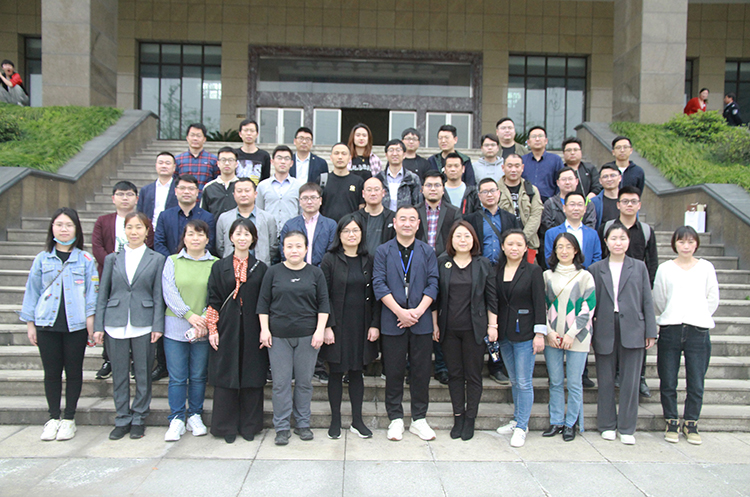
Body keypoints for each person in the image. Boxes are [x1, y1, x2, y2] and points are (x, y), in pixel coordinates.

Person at [19, 208, 98, 441]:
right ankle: (53, 417)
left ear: (77, 229)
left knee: (73, 372)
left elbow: (92, 292)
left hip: (76, 325)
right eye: (59, 224)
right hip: (46, 323)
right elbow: (32, 292)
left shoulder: (86, 259)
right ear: (52, 228)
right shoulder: (42, 259)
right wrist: (30, 323)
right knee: (51, 373)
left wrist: (91, 321)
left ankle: (69, 419)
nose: (64, 229)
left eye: (69, 225)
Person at [93, 212, 165, 440]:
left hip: (144, 322)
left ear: (147, 231)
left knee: (143, 373)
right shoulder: (112, 259)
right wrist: (98, 325)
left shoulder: (156, 259)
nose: (134, 232)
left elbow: (158, 295)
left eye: (139, 227)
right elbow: (103, 294)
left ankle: (139, 417)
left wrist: (158, 325)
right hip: (115, 322)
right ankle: (122, 417)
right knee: (120, 374)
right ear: (124, 231)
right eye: (130, 227)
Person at [258, 230, 330, 446]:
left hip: (308, 335)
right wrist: (264, 330)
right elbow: (263, 303)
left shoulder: (315, 273)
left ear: (306, 249)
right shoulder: (273, 272)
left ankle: (302, 423)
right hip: (278, 336)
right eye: (289, 246)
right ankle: (281, 427)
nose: (294, 250)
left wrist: (320, 330)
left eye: (299, 246)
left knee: (304, 383)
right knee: (280, 384)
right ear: (283, 249)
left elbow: (324, 304)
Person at [373, 205, 439, 442]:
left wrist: (418, 311)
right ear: (395, 222)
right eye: (403, 219)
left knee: (421, 372)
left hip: (421, 322)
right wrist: (400, 312)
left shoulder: (427, 251)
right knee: (393, 371)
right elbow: (379, 283)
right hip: (393, 320)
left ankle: (419, 419)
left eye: (412, 219)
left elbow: (433, 283)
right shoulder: (383, 250)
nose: (407, 223)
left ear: (419, 224)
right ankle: (396, 418)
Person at [589, 223, 657, 445]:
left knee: (631, 380)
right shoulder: (596, 269)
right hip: (605, 326)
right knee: (605, 379)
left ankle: (627, 427)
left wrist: (651, 330)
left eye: (622, 238)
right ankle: (607, 424)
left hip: (634, 327)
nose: (618, 243)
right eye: (613, 238)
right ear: (606, 242)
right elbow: (591, 304)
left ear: (628, 242)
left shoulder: (639, 267)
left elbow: (647, 300)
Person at [654, 226, 719, 445]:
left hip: (697, 329)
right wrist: (672, 314)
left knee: (696, 381)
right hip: (671, 328)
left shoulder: (706, 268)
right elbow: (659, 299)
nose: (686, 246)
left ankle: (691, 422)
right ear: (674, 244)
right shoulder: (665, 269)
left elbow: (712, 297)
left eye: (690, 242)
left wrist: (699, 314)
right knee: (668, 379)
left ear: (696, 244)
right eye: (681, 242)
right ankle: (671, 421)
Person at [432, 221, 498, 441]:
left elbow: (491, 298)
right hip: (449, 330)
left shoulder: (483, 264)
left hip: (474, 330)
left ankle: (470, 418)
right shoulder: (442, 262)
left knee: (473, 375)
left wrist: (493, 326)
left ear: (474, 240)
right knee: (455, 375)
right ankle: (458, 416)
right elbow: (435, 297)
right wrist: (434, 324)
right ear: (451, 239)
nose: (462, 240)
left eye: (467, 236)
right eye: (458, 236)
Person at [205, 218, 269, 443]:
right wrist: (212, 329)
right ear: (231, 237)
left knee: (252, 375)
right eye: (238, 234)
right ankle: (226, 426)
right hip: (227, 327)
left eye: (247, 234)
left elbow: (265, 301)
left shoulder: (261, 268)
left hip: (253, 327)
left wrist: (265, 329)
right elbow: (213, 300)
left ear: (253, 239)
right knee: (226, 375)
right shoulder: (219, 266)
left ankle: (250, 425)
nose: (242, 238)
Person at [320, 214, 381, 439]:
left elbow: (376, 295)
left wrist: (374, 325)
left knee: (357, 372)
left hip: (361, 325)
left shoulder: (369, 259)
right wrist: (327, 326)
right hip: (337, 325)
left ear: (362, 234)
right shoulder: (329, 259)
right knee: (336, 373)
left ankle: (357, 421)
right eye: (346, 231)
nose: (351, 235)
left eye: (355, 230)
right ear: (339, 235)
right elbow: (323, 295)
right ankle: (335, 421)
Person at [161, 219, 218, 442]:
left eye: (200, 234)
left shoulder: (215, 263)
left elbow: (216, 293)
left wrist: (203, 319)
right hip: (175, 328)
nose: (195, 238)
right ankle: (176, 418)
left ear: (207, 238)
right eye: (191, 234)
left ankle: (195, 414)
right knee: (177, 377)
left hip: (203, 329)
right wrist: (189, 315)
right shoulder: (172, 261)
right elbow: (169, 292)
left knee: (197, 376)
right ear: (184, 238)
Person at [91, 181, 153, 380]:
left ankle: (135, 360)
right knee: (113, 318)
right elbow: (97, 247)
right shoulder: (103, 221)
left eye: (129, 194)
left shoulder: (144, 221)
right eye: (120, 194)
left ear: (136, 198)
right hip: (112, 275)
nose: (125, 198)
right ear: (113, 198)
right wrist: (115, 265)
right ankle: (109, 359)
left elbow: (149, 245)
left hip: (138, 277)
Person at [493, 229, 546, 448]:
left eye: (519, 244)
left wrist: (540, 333)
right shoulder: (497, 270)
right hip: (504, 333)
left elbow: (540, 303)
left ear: (525, 248)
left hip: (525, 333)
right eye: (510, 244)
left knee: (524, 382)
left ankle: (522, 426)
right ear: (503, 247)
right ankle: (517, 419)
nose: (514, 248)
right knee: (514, 380)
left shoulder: (533, 271)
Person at [542, 233, 596, 442]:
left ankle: (571, 423)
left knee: (574, 383)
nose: (564, 251)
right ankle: (556, 421)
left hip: (578, 337)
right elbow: (542, 306)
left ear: (576, 251)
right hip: (552, 336)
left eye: (568, 247)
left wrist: (572, 333)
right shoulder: (547, 276)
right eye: (560, 247)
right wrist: (549, 332)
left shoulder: (585, 276)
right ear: (554, 250)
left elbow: (588, 307)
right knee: (555, 381)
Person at [215, 177, 278, 265]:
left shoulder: (268, 218)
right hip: (231, 268)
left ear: (255, 194)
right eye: (239, 191)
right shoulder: (224, 218)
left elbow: (273, 246)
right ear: (234, 195)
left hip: (260, 267)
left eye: (247, 191)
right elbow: (220, 246)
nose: (243, 194)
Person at [154, 174, 215, 259]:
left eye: (191, 188)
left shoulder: (207, 217)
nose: (186, 192)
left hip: (197, 262)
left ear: (197, 192)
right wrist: (172, 261)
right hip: (169, 262)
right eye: (182, 188)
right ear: (176, 191)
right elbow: (159, 243)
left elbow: (209, 243)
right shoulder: (164, 216)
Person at [497, 154, 543, 261]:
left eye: (517, 166)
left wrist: (522, 239)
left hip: (529, 244)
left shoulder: (531, 190)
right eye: (509, 166)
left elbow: (536, 216)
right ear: (503, 168)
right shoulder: (495, 190)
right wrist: (509, 241)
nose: (513, 170)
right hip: (503, 246)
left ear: (522, 168)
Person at [465, 178, 520, 266]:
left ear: (499, 193)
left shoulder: (510, 218)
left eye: (492, 191)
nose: (489, 195)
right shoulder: (471, 219)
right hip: (479, 266)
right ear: (479, 196)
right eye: (485, 192)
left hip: (504, 266)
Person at [280, 182, 337, 268]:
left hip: (322, 271)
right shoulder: (290, 225)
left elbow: (332, 251)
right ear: (300, 201)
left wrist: (319, 270)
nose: (309, 202)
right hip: (295, 270)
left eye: (313, 198)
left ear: (320, 200)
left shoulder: (330, 225)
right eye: (305, 198)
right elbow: (283, 250)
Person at [544, 192, 602, 269]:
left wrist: (585, 274)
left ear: (585, 209)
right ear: (564, 208)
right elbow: (549, 258)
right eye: (572, 204)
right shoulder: (551, 233)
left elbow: (597, 258)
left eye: (580, 205)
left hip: (586, 274)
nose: (576, 208)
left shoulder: (592, 234)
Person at [256, 145, 302, 233]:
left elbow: (302, 213)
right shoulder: (262, 186)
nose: (283, 162)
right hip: (268, 233)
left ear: (291, 163)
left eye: (287, 158)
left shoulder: (299, 186)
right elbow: (258, 212)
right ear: (272, 161)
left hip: (292, 233)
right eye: (279, 158)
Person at [416, 170, 461, 258]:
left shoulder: (454, 212)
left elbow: (456, 238)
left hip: (446, 260)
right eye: (429, 185)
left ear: (443, 189)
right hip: (419, 260)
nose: (433, 189)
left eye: (437, 185)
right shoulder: (414, 212)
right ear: (422, 189)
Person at [540, 167, 597, 234]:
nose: (567, 182)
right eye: (564, 179)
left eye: (570, 179)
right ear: (558, 183)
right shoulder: (550, 204)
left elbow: (590, 225)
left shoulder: (587, 203)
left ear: (577, 181)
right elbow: (548, 227)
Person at [319, 143, 364, 222]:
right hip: (327, 226)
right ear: (331, 157)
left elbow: (362, 207)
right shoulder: (322, 180)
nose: (340, 157)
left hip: (350, 226)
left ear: (350, 158)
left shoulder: (358, 181)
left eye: (344, 154)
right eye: (336, 153)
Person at [352, 177, 396, 256]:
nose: (373, 193)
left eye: (376, 189)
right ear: (363, 194)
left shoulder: (393, 218)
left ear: (383, 193)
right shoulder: (355, 218)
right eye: (369, 190)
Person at [375, 139, 422, 211]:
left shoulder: (412, 178)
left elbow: (418, 203)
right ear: (386, 155)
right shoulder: (378, 178)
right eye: (391, 150)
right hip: (383, 217)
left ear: (404, 155)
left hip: (405, 217)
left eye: (398, 150)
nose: (394, 154)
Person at [136, 152, 178, 231]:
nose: (164, 166)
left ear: (174, 167)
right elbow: (140, 213)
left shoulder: (180, 189)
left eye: (168, 163)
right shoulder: (145, 190)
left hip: (172, 231)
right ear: (156, 166)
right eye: (160, 163)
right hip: (150, 231)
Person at [174, 124, 219, 198]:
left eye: (198, 136)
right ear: (187, 138)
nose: (195, 138)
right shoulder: (178, 160)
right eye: (192, 135)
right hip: (184, 201)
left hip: (206, 201)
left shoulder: (213, 160)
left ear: (204, 139)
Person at [521, 126, 564, 203]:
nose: (537, 139)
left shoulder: (556, 160)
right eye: (534, 137)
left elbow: (561, 183)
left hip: (550, 203)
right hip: (526, 202)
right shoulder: (522, 160)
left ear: (546, 141)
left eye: (540, 136)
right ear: (528, 142)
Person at [201, 147, 239, 222]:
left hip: (239, 228)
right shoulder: (209, 187)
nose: (227, 163)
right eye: (223, 160)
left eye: (230, 160)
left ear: (236, 164)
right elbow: (203, 213)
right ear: (218, 163)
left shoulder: (242, 186)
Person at [235, 119, 271, 184]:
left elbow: (265, 180)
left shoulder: (264, 156)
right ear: (240, 134)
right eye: (246, 130)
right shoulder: (234, 154)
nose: (249, 133)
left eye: (252, 131)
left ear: (257, 134)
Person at [590, 163, 621, 229]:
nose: (609, 179)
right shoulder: (594, 202)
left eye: (613, 175)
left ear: (620, 178)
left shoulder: (628, 201)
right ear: (600, 181)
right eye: (605, 176)